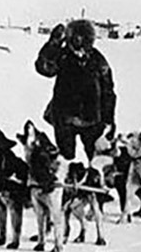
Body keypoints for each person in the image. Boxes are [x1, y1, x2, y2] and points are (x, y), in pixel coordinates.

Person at [34, 19, 117, 162]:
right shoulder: (62, 55)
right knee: (65, 161)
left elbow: (108, 92)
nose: (81, 47)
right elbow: (44, 68)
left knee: (99, 160)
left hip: (91, 119)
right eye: (78, 40)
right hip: (65, 118)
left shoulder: (98, 60)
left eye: (86, 40)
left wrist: (108, 121)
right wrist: (53, 45)